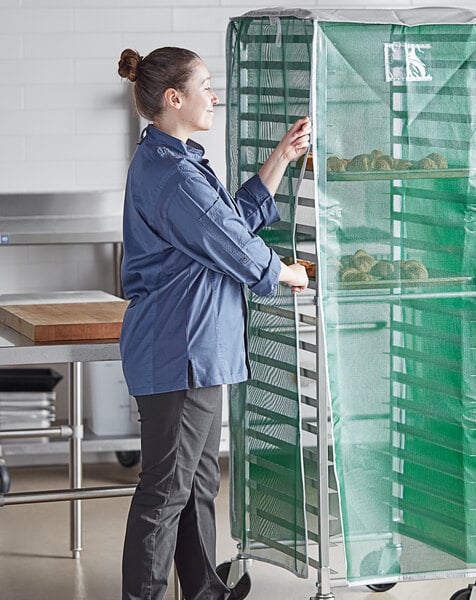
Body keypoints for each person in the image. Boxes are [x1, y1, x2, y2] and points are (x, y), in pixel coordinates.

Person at [116, 46, 310, 600]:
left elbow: (228, 221)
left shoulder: (176, 161)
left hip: (197, 349)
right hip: (183, 352)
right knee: (166, 490)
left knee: (197, 481)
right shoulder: (173, 174)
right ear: (174, 98)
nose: (215, 95)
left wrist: (279, 158)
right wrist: (288, 274)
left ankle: (203, 592)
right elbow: (239, 250)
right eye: (205, 85)